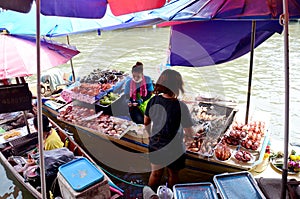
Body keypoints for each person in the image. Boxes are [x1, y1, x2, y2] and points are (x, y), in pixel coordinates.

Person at [144, 69, 195, 191]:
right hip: (174, 148)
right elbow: (189, 132)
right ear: (177, 86)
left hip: (156, 145)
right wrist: (189, 138)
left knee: (155, 174)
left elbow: (146, 122)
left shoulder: (153, 101)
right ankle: (171, 194)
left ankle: (151, 195)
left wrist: (151, 136)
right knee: (173, 174)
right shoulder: (180, 106)